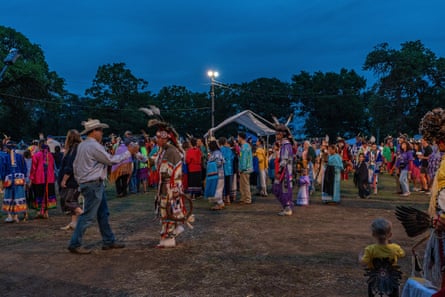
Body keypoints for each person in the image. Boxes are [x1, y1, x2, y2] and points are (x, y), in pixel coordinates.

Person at [67, 119, 139, 254]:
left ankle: (108, 240)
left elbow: (75, 166)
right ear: (94, 131)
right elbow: (111, 160)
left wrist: (80, 181)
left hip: (90, 183)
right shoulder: (93, 146)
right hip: (93, 184)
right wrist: (128, 152)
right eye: (100, 130)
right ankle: (75, 243)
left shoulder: (82, 145)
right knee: (88, 215)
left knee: (103, 214)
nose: (101, 133)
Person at [58, 129, 83, 231]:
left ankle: (84, 214)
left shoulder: (74, 149)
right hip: (74, 179)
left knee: (68, 200)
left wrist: (64, 180)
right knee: (73, 200)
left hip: (71, 180)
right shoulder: (77, 148)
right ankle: (74, 223)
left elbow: (70, 166)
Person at [30, 140, 57, 218]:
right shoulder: (50, 155)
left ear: (39, 147)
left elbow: (33, 168)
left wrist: (31, 178)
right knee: (47, 194)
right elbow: (52, 167)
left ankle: (39, 212)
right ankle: (46, 212)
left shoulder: (36, 155)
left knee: (39, 195)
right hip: (49, 179)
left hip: (39, 179)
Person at [1, 143, 28, 223]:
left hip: (9, 179)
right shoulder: (20, 156)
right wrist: (24, 177)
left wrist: (2, 180)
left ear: (8, 149)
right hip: (19, 179)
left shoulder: (5, 157)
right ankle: (16, 217)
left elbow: (3, 170)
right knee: (17, 197)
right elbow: (24, 168)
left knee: (9, 197)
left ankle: (9, 216)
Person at [272, 125, 294, 216]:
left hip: (285, 172)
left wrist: (279, 172)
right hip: (286, 171)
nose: (276, 136)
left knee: (278, 189)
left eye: (277, 134)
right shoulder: (286, 145)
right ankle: (287, 207)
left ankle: (287, 207)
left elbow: (284, 160)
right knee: (280, 189)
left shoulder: (286, 145)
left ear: (281, 134)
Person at [204, 139, 225, 210]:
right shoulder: (216, 153)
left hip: (217, 174)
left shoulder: (216, 153)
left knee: (217, 189)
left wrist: (210, 164)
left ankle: (219, 204)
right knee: (217, 189)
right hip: (217, 174)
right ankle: (220, 203)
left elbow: (219, 163)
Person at [237, 132, 253, 205]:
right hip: (245, 169)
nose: (237, 139)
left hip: (245, 169)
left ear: (240, 137)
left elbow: (244, 159)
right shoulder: (245, 146)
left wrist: (242, 168)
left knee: (245, 184)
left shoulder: (245, 147)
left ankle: (247, 199)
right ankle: (243, 198)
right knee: (242, 184)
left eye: (238, 137)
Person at [219, 137, 234, 205]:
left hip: (222, 169)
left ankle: (223, 198)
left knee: (222, 184)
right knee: (228, 184)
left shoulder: (220, 150)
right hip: (229, 169)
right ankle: (228, 198)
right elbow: (232, 157)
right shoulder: (229, 150)